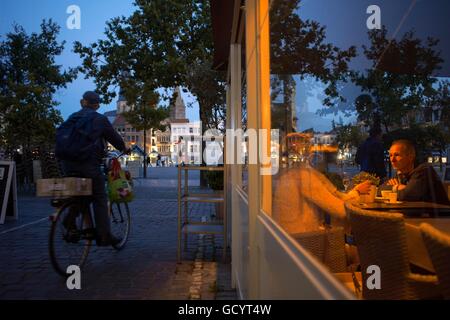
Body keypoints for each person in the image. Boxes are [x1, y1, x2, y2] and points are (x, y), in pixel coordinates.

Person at [58, 91, 130, 246]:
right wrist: (124, 148)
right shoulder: (100, 119)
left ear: (82, 102)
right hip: (87, 164)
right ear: (97, 105)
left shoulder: (72, 117)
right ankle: (104, 235)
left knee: (81, 194)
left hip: (66, 164)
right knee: (99, 196)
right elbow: (114, 138)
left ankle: (69, 219)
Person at [386, 139, 450, 205]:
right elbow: (380, 189)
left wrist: (396, 188)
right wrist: (397, 187)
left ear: (411, 156)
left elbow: (408, 195)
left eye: (397, 155)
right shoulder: (400, 173)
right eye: (390, 155)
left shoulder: (424, 170)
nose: (392, 160)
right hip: (417, 213)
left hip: (438, 213)